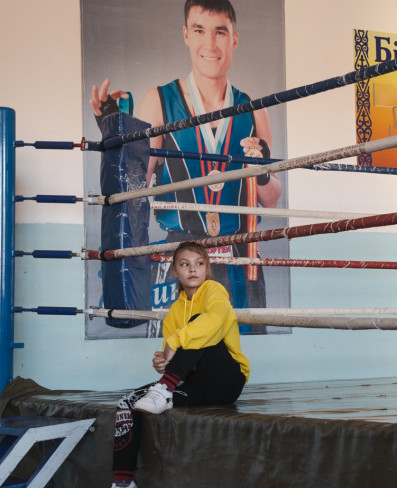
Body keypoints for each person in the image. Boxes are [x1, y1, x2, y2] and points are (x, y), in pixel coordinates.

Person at [90, 0, 282, 334]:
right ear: (186, 35)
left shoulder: (254, 110)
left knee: (239, 354)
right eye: (199, 30)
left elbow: (272, 199)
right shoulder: (159, 101)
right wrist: (116, 132)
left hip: (239, 256)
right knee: (178, 352)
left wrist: (262, 170)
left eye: (220, 32)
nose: (210, 44)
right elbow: (136, 184)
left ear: (234, 38)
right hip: (180, 253)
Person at [107, 241, 250, 488]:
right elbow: (177, 356)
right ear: (175, 271)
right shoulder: (174, 311)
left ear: (207, 268)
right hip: (197, 386)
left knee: (199, 323)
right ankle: (123, 483)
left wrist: (174, 343)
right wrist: (164, 363)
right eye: (185, 264)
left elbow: (214, 321)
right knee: (127, 402)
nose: (193, 269)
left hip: (227, 380)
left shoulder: (214, 291)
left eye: (199, 263)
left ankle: (164, 390)